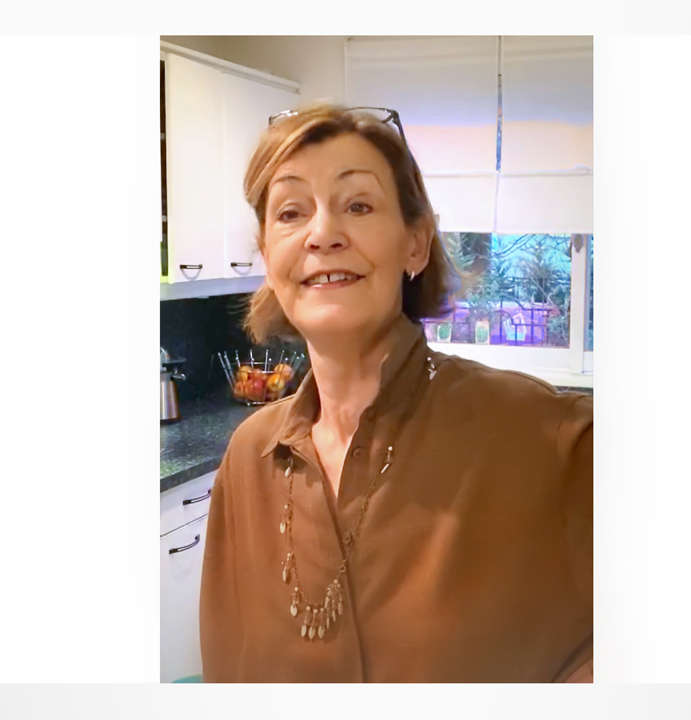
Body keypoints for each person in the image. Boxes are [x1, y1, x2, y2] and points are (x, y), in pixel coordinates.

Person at [199, 103, 593, 682]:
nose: (322, 234)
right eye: (290, 212)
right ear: (267, 254)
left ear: (416, 243)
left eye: (358, 205)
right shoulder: (247, 460)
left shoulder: (546, 438)